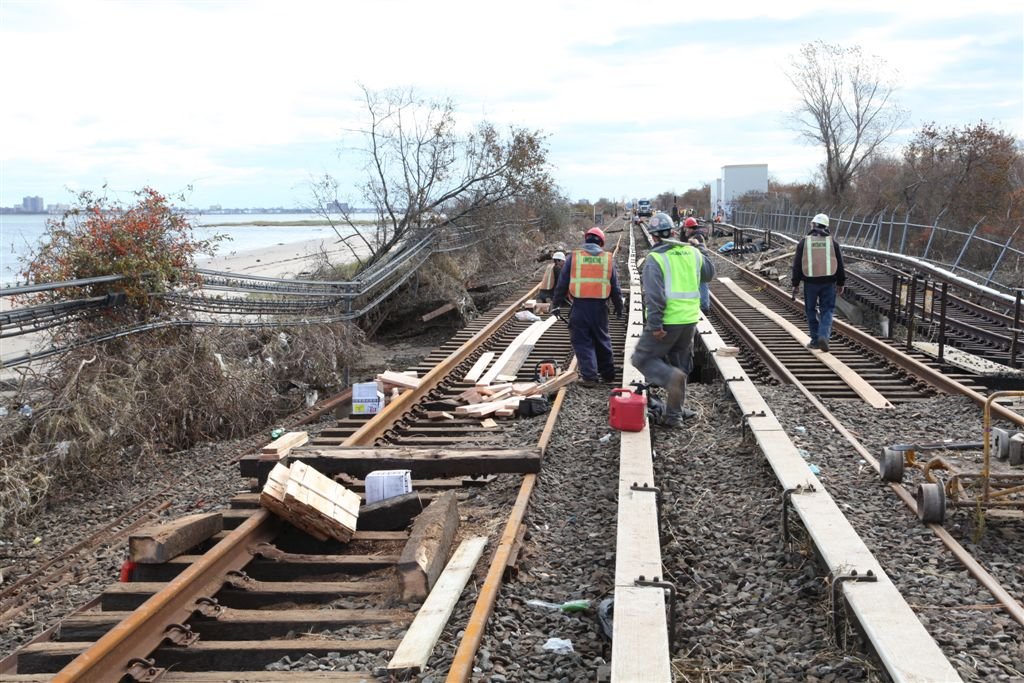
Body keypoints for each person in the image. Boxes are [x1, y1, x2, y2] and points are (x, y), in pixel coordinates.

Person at [632, 212, 715, 428]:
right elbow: (708, 274)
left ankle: (669, 378)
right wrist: (701, 248)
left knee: (642, 358)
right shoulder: (692, 252)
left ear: (654, 236)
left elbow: (655, 296)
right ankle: (674, 416)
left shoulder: (655, 259)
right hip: (688, 320)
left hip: (667, 321)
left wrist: (656, 325)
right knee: (680, 363)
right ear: (674, 232)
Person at [551, 227, 624, 386]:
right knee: (602, 339)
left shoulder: (574, 257)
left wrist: (555, 304)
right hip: (600, 307)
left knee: (582, 341)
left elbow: (562, 284)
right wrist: (619, 307)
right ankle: (608, 374)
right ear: (601, 243)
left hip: (580, 306)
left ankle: (590, 377)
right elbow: (615, 287)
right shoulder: (607, 258)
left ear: (586, 240)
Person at [792, 213, 845, 352]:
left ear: (814, 225)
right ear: (826, 226)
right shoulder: (833, 243)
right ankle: (823, 336)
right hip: (829, 282)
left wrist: (795, 283)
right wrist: (841, 282)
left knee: (811, 310)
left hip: (810, 283)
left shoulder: (804, 242)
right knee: (827, 310)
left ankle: (815, 341)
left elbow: (797, 264)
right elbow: (839, 264)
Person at [681, 217, 712, 314]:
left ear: (690, 228)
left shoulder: (696, 238)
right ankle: (703, 305)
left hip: (700, 262)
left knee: (702, 284)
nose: (685, 230)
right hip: (698, 262)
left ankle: (704, 307)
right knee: (701, 284)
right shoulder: (696, 235)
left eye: (686, 228)